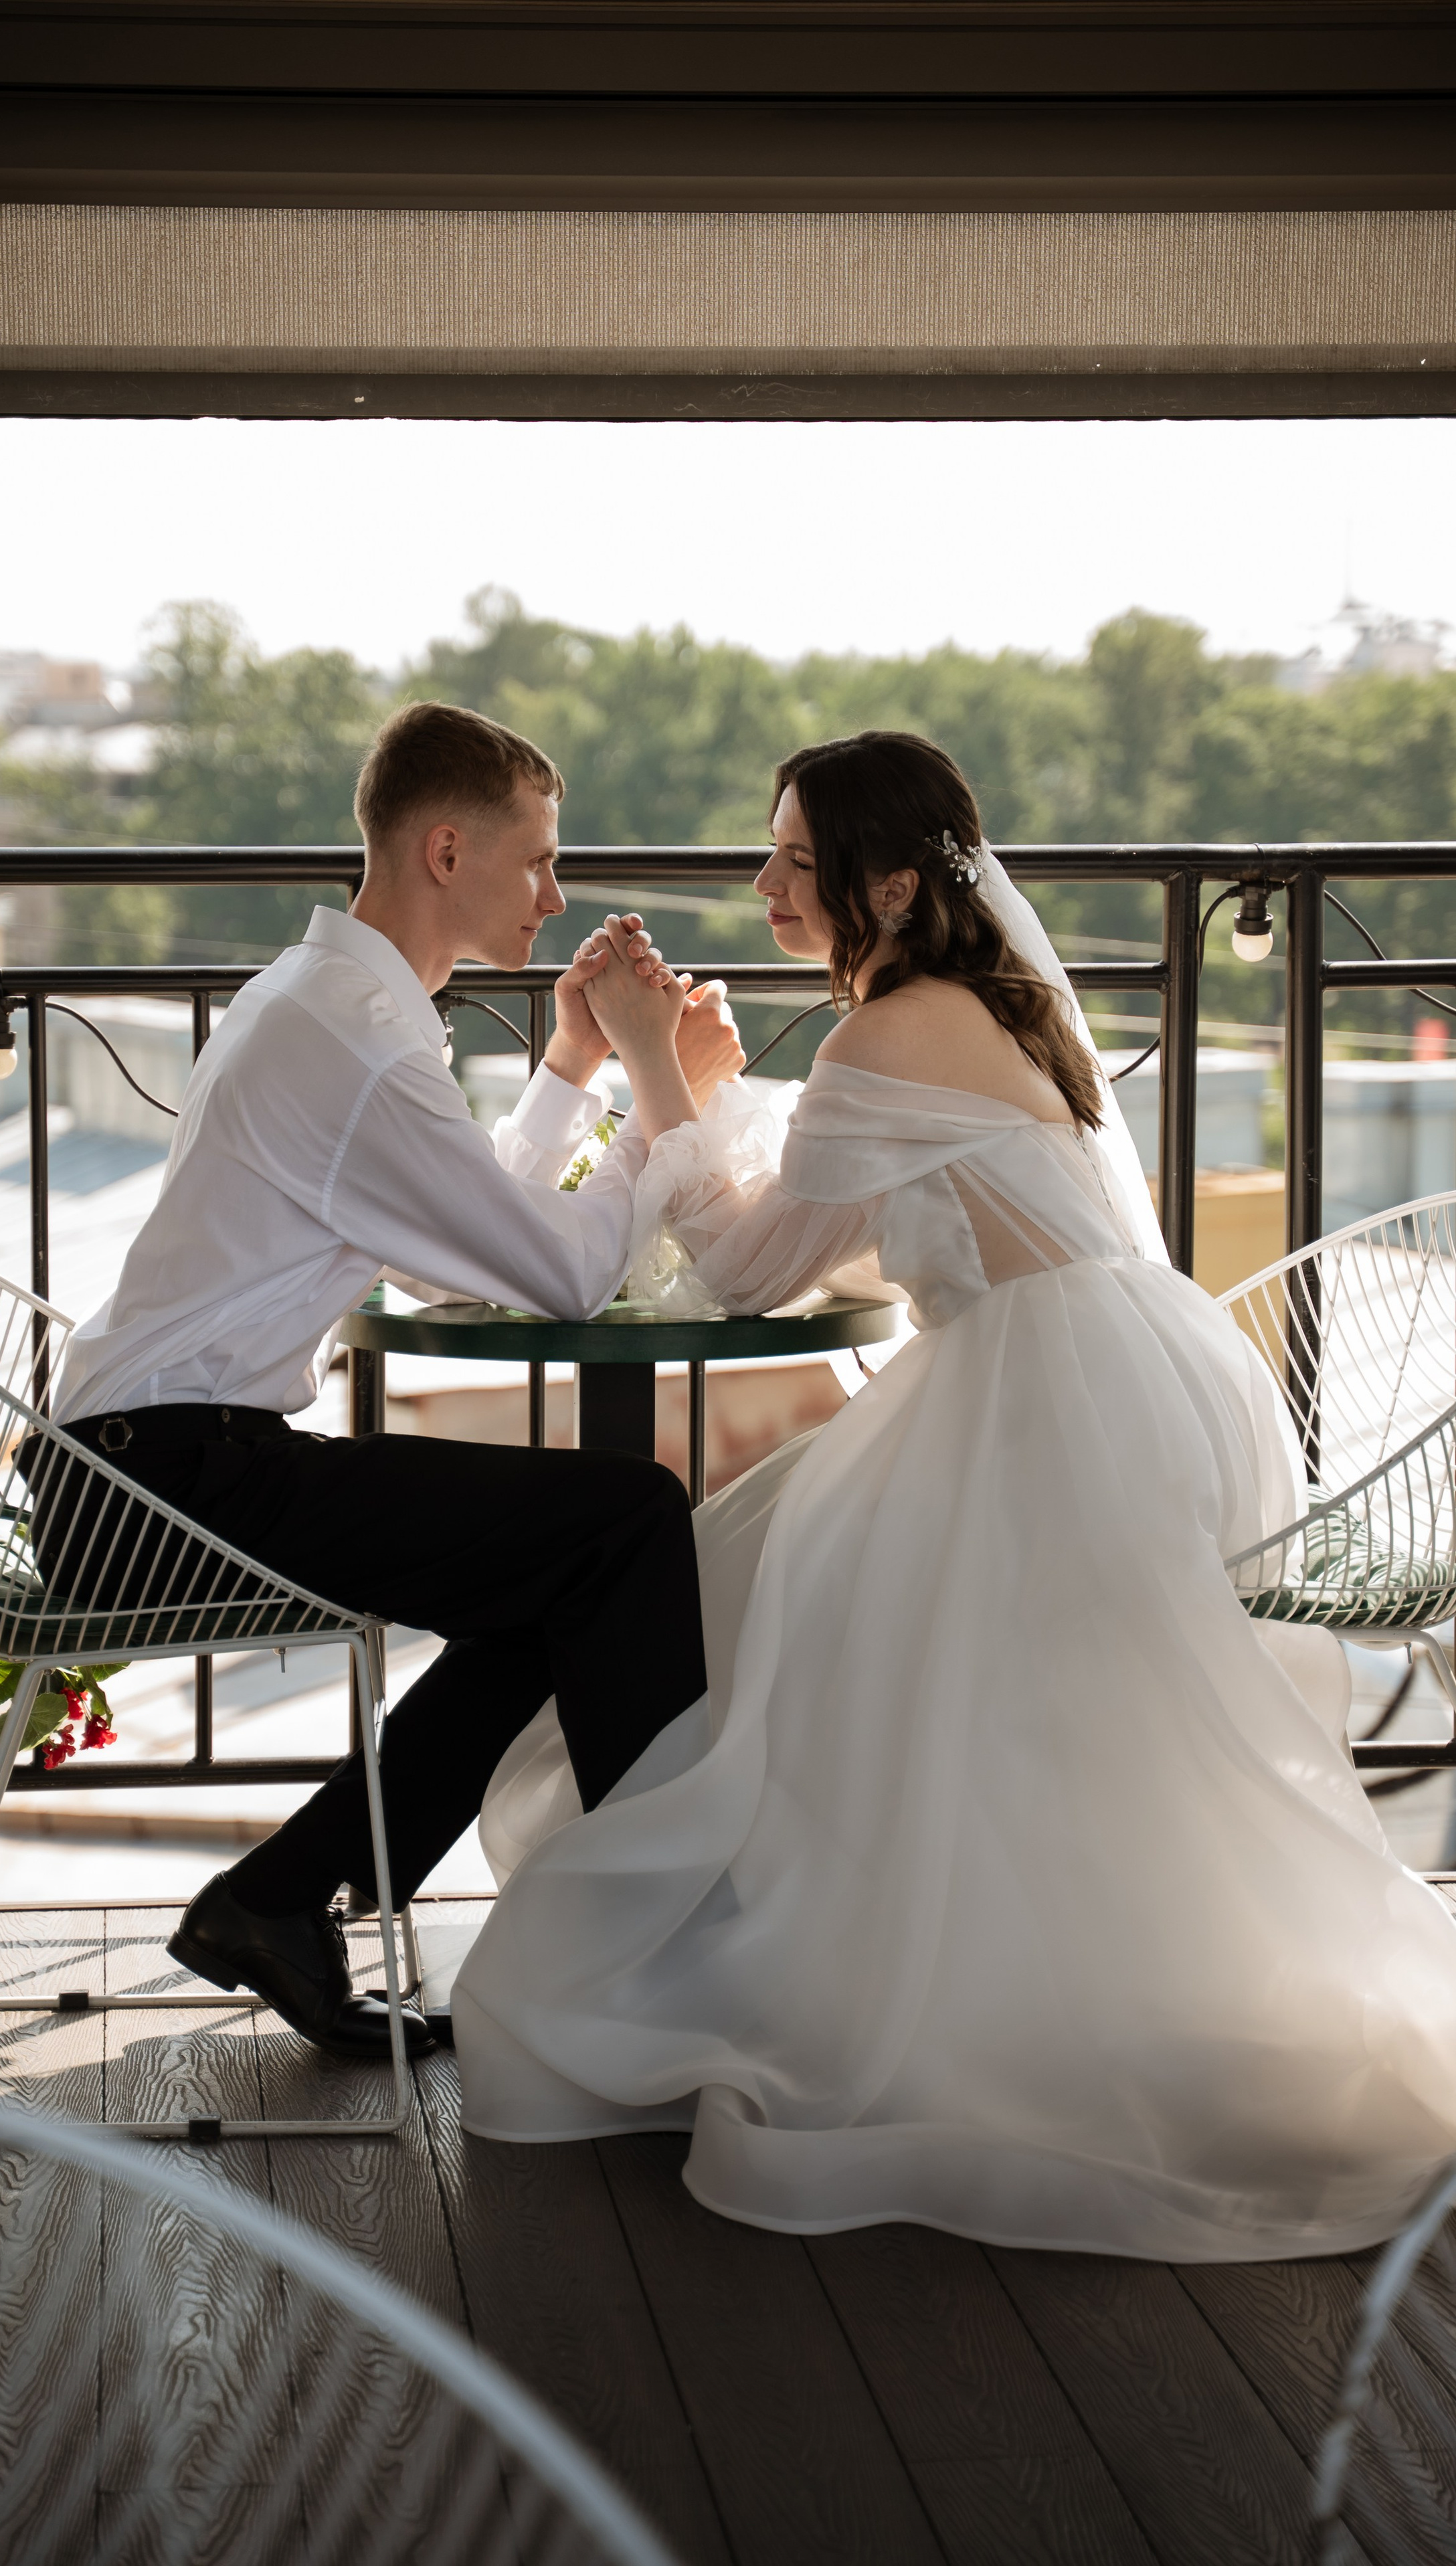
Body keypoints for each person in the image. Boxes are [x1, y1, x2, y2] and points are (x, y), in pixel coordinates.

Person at [452, 727, 1456, 2261]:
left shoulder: (885, 1033)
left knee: (749, 1586)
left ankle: (776, 1954)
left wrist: (658, 1069)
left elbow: (760, 1265)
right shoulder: (974, 1004)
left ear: (894, 884)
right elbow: (872, 1226)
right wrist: (709, 1105)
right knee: (768, 1573)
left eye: (796, 861)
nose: (764, 883)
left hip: (1048, 1403)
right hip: (1133, 1373)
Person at [41, 701, 741, 2059]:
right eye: (535, 859)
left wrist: (574, 1068)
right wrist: (669, 1109)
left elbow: (455, 1257)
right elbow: (558, 1277)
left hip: (138, 1458)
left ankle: (285, 1898)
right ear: (442, 851)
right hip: (161, 1479)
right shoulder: (356, 1037)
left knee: (567, 1568)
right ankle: (664, 1944)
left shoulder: (336, 1004)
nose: (554, 894)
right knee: (626, 1522)